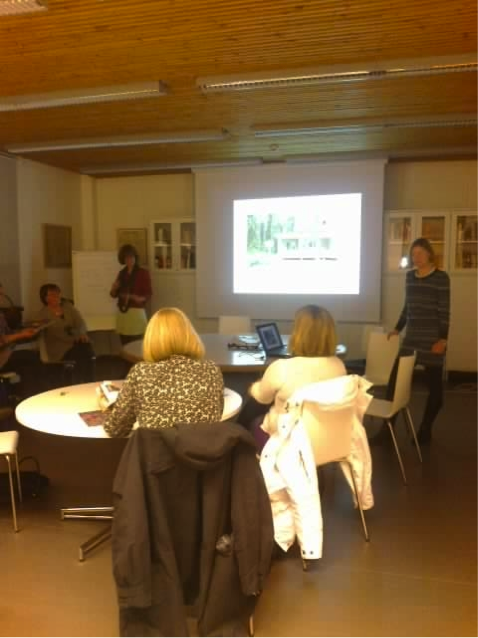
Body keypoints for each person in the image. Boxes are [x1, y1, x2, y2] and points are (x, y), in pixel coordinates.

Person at [102, 307, 224, 437]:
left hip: (155, 450)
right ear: (190, 336)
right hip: (203, 449)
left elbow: (115, 429)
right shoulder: (212, 370)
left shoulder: (141, 372)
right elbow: (217, 414)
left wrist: (107, 407)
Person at [236, 305, 346, 442]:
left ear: (297, 334)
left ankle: (235, 438)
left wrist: (254, 387)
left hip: (287, 438)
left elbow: (262, 398)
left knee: (254, 405)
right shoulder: (339, 366)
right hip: (325, 436)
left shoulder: (281, 367)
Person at [380, 237, 450, 446]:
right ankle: (387, 432)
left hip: (433, 340)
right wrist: (397, 328)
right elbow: (407, 306)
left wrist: (443, 340)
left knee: (435, 392)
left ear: (429, 254)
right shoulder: (410, 277)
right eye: (413, 254)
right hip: (411, 339)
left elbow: (445, 311)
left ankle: (425, 430)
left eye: (420, 253)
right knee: (394, 386)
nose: (416, 257)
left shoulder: (441, 278)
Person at [37, 283, 96, 383]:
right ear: (46, 298)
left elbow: (80, 322)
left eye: (58, 293)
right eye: (53, 294)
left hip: (77, 343)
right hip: (60, 348)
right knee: (83, 351)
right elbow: (57, 333)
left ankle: (88, 381)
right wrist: (77, 337)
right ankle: (83, 382)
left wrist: (82, 333)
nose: (57, 296)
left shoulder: (68, 307)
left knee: (86, 349)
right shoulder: (43, 314)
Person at [110, 244, 152, 345]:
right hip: (123, 313)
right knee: (124, 344)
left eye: (131, 257)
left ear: (135, 257)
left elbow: (149, 293)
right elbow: (113, 295)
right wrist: (114, 288)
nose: (130, 260)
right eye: (127, 257)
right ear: (123, 259)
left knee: (137, 345)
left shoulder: (143, 273)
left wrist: (139, 299)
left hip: (136, 312)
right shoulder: (122, 273)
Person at [0, 281, 39, 371]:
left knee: (33, 357)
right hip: (2, 356)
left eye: (2, 294)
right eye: (0, 294)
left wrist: (23, 331)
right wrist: (21, 335)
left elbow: (8, 333)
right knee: (31, 359)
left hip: (7, 352)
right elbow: (2, 340)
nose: (2, 297)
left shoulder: (1, 315)